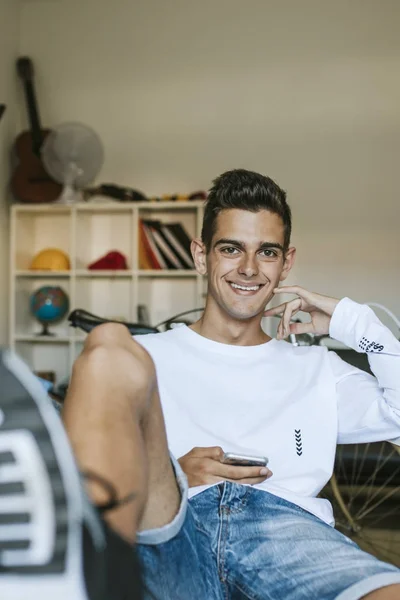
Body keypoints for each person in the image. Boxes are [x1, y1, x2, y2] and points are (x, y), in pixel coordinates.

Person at [0, 168, 399, 600]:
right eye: (231, 249)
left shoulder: (319, 368)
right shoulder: (144, 357)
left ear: (286, 264)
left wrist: (350, 320)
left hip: (287, 533)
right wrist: (172, 476)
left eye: (267, 252)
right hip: (173, 529)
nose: (248, 268)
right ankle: (75, 557)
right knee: (108, 343)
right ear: (201, 255)